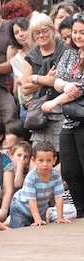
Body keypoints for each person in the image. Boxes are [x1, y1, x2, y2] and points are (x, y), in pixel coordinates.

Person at [49, 12, 84, 217]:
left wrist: (54, 101)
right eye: (75, 32)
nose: (78, 36)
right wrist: (65, 85)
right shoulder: (69, 53)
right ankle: (81, 210)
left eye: (82, 33)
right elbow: (57, 80)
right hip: (69, 119)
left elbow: (81, 88)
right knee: (70, 170)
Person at [22, 12, 66, 152]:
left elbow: (63, 81)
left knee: (62, 154)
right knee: (40, 154)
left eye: (44, 31)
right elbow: (25, 89)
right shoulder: (31, 56)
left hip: (62, 109)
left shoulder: (65, 50)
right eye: (36, 33)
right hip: (39, 112)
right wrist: (46, 80)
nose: (41, 35)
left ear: (52, 30)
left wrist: (36, 78)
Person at [9, 141, 70, 228]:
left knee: (40, 231)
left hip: (40, 209)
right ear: (34, 160)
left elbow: (59, 197)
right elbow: (32, 200)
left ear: (54, 160)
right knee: (19, 233)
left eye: (49, 160)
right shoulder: (31, 177)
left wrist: (60, 217)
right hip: (21, 208)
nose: (45, 164)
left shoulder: (55, 175)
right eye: (41, 160)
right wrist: (37, 219)